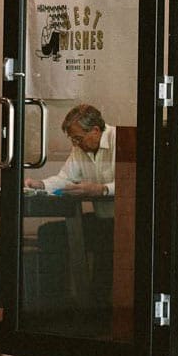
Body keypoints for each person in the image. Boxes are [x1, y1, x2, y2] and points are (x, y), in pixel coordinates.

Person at [23, 104, 116, 314]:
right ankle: (55, 306)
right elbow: (66, 178)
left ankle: (95, 312)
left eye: (78, 138)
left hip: (128, 223)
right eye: (73, 140)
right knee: (49, 233)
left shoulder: (121, 140)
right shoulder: (80, 148)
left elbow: (136, 183)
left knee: (105, 243)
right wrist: (41, 185)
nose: (76, 144)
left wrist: (101, 189)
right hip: (103, 220)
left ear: (95, 130)